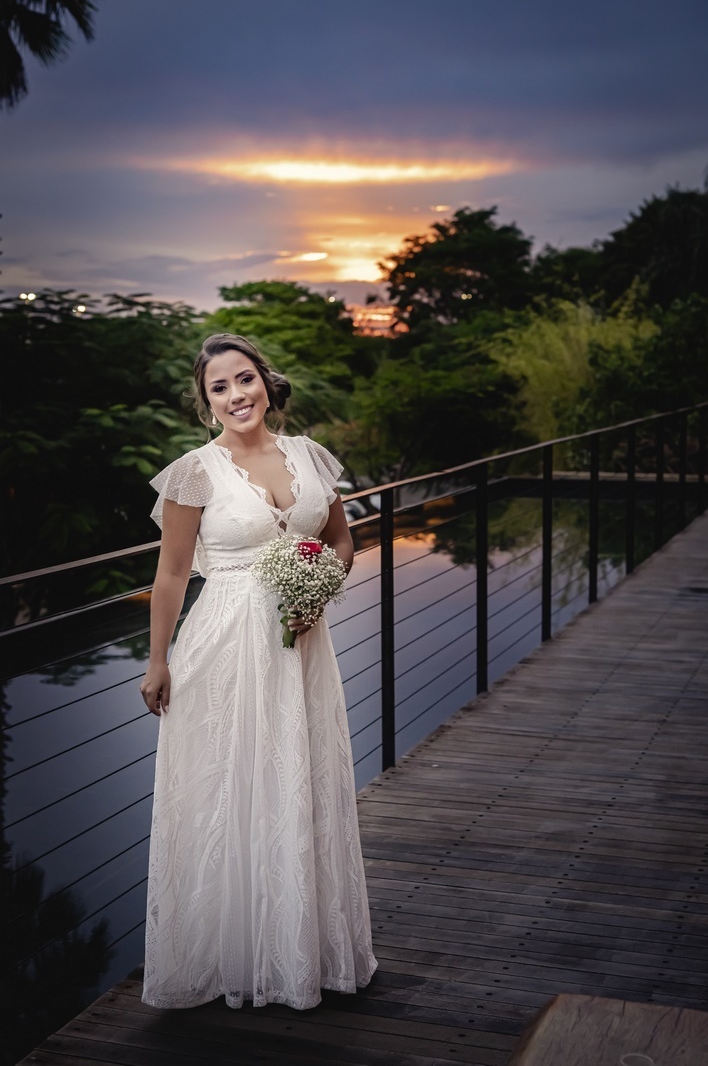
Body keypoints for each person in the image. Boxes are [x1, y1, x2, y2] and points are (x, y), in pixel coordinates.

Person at [139, 333, 377, 1011]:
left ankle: (301, 951)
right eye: (220, 387)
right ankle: (227, 955)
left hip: (301, 645)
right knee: (228, 790)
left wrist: (317, 593)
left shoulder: (309, 456)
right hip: (223, 647)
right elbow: (173, 572)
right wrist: (157, 659)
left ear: (267, 384)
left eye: (245, 379)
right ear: (206, 402)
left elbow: (340, 538)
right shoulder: (194, 472)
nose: (237, 395)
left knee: (298, 783)